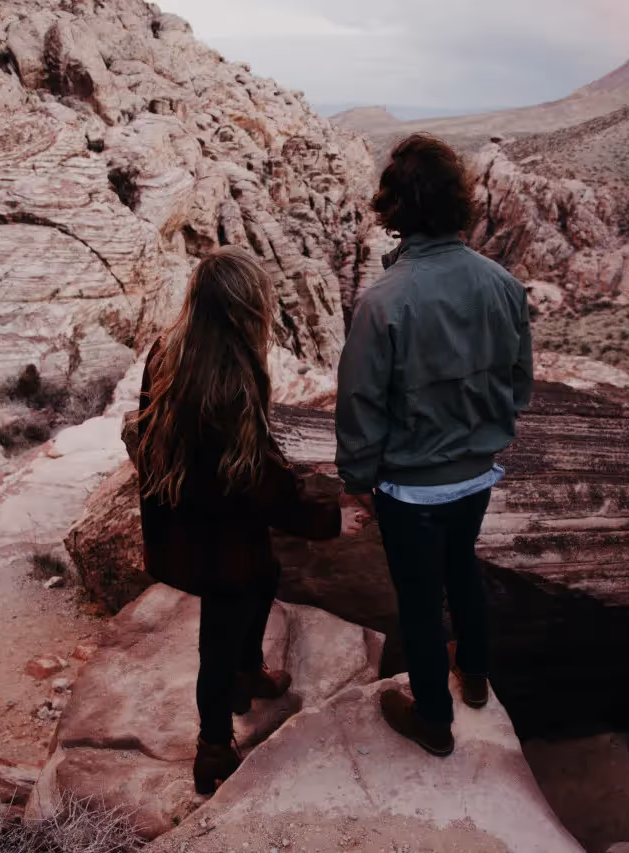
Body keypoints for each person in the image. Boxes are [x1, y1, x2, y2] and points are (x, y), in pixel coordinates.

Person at [124, 247, 362, 795]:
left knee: (264, 579)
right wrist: (329, 522)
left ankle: (247, 673)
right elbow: (255, 480)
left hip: (186, 520)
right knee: (221, 628)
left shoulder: (170, 350)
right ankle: (212, 746)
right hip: (221, 531)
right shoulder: (230, 376)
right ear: (241, 308)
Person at [335, 133, 534, 757]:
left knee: (420, 603)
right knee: (463, 569)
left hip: (410, 488)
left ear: (395, 209)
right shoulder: (502, 284)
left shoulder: (383, 303)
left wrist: (355, 478)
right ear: (457, 203)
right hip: (477, 474)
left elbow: (361, 405)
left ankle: (434, 720)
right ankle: (474, 677)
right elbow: (519, 383)